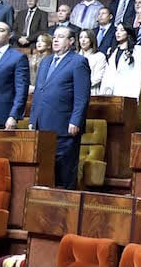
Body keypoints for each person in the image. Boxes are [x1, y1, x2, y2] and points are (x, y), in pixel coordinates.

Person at [30, 26, 91, 189]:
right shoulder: (46, 61)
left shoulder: (78, 62)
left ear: (71, 41)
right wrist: (33, 119)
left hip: (65, 126)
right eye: (55, 36)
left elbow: (82, 96)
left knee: (64, 174)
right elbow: (39, 92)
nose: (55, 40)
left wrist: (76, 121)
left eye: (61, 37)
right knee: (44, 173)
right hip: (42, 125)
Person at [100, 24, 141, 100]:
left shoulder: (137, 50)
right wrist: (102, 93)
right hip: (110, 92)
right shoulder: (111, 50)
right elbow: (107, 74)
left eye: (122, 30)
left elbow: (137, 73)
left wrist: (135, 97)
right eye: (117, 30)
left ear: (128, 33)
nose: (118, 32)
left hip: (127, 92)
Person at [78, 29, 107, 95]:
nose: (83, 40)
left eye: (86, 37)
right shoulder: (75, 56)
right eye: (81, 37)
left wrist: (82, 85)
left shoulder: (99, 56)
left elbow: (98, 76)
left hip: (92, 91)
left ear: (91, 39)